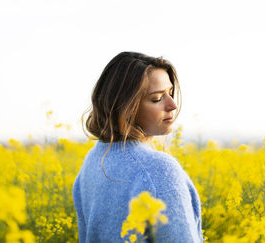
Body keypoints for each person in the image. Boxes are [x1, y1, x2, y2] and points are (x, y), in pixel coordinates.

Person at [72, 52, 203, 242]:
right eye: (157, 98)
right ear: (126, 107)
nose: (173, 105)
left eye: (171, 93)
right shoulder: (158, 170)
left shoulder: (91, 163)